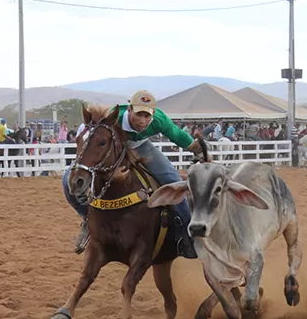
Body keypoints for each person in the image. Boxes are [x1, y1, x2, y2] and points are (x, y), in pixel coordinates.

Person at [63, 90, 208, 258]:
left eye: (147, 116)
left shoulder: (160, 120)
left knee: (172, 179)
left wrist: (198, 151)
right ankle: (87, 218)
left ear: (153, 114)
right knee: (68, 182)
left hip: (140, 146)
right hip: (109, 149)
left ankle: (186, 232)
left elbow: (177, 135)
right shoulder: (112, 118)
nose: (143, 120)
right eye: (139, 114)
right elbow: (88, 134)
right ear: (129, 110)